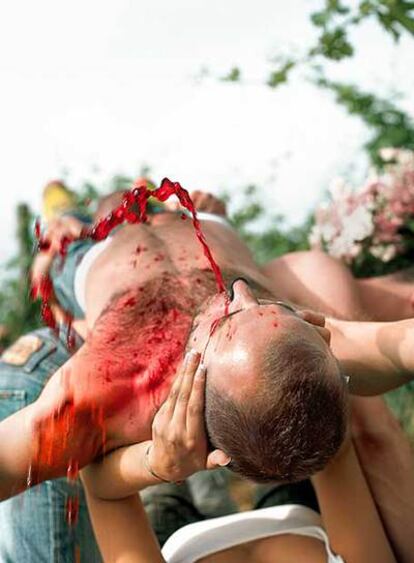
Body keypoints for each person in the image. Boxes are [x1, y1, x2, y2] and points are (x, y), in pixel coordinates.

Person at [1, 180, 414, 501]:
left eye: (228, 323)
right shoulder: (309, 353)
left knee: (80, 215)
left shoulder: (115, 386)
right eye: (280, 309)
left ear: (198, 384)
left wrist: (153, 464)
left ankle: (60, 211)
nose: (240, 292)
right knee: (140, 193)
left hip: (91, 248)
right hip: (190, 216)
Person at [82, 350, 413, 562]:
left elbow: (100, 487)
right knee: (271, 438)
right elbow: (336, 452)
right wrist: (311, 365)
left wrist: (157, 463)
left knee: (155, 429)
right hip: (286, 509)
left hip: (172, 533)